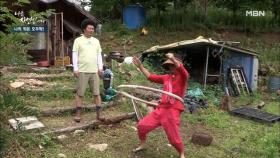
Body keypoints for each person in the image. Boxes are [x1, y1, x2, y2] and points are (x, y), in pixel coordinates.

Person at [132, 53, 190, 158]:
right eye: (169, 65)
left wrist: (172, 58)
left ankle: (181, 153)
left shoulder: (183, 77)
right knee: (141, 126)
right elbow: (150, 77)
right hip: (161, 109)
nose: (171, 67)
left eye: (172, 65)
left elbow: (183, 70)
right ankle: (143, 144)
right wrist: (140, 66)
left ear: (177, 65)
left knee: (173, 138)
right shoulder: (166, 77)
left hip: (172, 110)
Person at [72, 19, 104, 122]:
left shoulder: (96, 41)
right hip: (82, 71)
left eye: (93, 29)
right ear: (84, 29)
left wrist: (100, 68)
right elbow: (75, 54)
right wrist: (75, 68)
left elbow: (99, 55)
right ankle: (78, 114)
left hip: (94, 71)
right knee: (80, 93)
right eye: (89, 28)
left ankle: (99, 114)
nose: (91, 30)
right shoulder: (78, 40)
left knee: (96, 93)